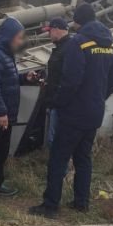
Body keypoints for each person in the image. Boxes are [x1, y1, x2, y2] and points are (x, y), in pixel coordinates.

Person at [29, 4, 113, 218]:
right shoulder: (110, 45)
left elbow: (71, 81)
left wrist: (59, 103)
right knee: (83, 158)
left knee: (58, 158)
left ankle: (50, 205)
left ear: (78, 20)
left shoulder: (78, 43)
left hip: (74, 112)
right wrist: (98, 97)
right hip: (95, 112)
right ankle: (81, 202)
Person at [0, 17, 38, 199]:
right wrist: (1, 112)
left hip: (7, 116)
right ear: (9, 37)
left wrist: (25, 78)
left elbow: (8, 81)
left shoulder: (7, 55)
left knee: (1, 153)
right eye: (18, 38)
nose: (20, 42)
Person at [42, 17, 71, 146]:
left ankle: (59, 164)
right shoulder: (61, 47)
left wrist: (59, 99)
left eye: (50, 31)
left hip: (62, 104)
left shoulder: (69, 49)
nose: (49, 34)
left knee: (55, 140)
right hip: (56, 101)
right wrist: (47, 80)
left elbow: (69, 77)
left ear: (56, 30)